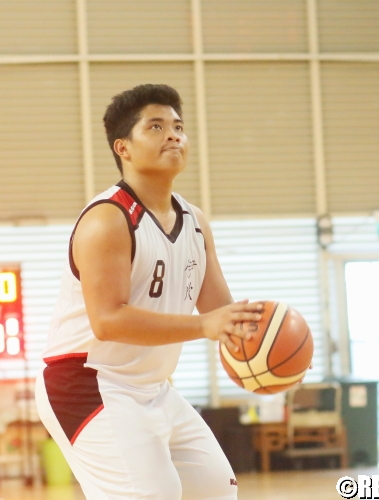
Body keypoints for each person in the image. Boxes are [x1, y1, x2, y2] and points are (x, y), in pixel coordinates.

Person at [35, 84, 263, 499]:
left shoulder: (194, 221)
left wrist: (258, 342)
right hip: (87, 384)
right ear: (123, 147)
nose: (173, 135)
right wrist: (206, 325)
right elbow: (108, 321)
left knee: (215, 490)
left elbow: (217, 312)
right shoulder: (108, 219)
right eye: (156, 127)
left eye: (178, 126)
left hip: (154, 387)